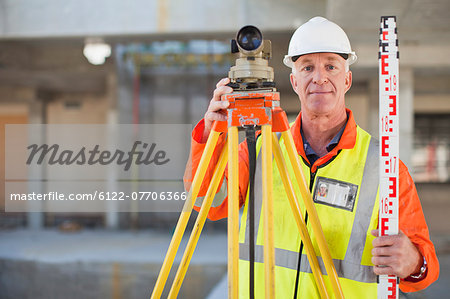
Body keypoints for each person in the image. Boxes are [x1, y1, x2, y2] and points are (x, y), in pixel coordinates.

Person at [184, 16, 439, 298]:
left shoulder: (384, 166)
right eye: (307, 67)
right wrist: (212, 136)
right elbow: (209, 202)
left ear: (347, 79)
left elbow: (423, 267)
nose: (319, 77)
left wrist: (414, 262)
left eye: (331, 66)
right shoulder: (259, 150)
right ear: (294, 81)